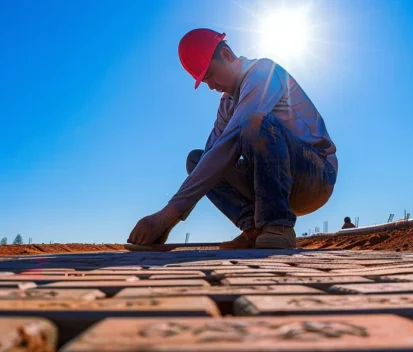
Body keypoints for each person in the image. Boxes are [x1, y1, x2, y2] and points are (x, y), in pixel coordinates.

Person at [127, 28, 338, 249]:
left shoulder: (263, 73)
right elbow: (211, 160)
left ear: (227, 55)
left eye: (209, 75)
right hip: (271, 181)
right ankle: (254, 230)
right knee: (198, 160)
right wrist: (167, 222)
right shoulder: (227, 104)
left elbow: (229, 142)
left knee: (254, 122)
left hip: (316, 176)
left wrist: (164, 217)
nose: (209, 86)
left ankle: (278, 226)